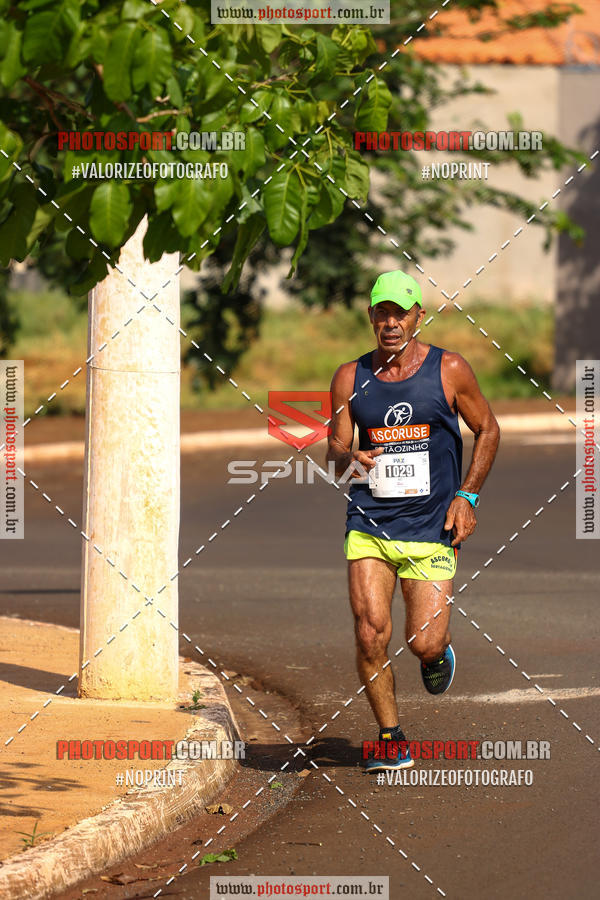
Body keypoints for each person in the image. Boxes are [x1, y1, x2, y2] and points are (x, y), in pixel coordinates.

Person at [326, 270, 500, 772]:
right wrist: (353, 455)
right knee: (368, 631)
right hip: (370, 522)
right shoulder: (349, 377)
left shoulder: (450, 369)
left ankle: (435, 654)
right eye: (382, 312)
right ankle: (390, 735)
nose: (391, 322)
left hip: (432, 528)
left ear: (419, 316)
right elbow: (334, 453)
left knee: (422, 641)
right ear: (371, 317)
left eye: (400, 312)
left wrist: (467, 495)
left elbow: (488, 429)